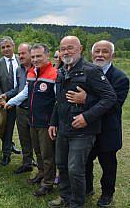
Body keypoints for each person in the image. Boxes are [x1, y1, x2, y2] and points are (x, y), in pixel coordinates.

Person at [48, 36, 117, 208]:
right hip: (63, 128)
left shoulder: (91, 70)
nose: (66, 52)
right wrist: (53, 122)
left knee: (75, 169)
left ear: (80, 49)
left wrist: (87, 116)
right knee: (62, 165)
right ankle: (64, 196)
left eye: (70, 48)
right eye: (63, 48)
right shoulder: (62, 70)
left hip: (83, 131)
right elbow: (59, 100)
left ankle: (77, 203)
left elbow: (109, 98)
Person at [65, 40, 129, 207]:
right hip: (87, 129)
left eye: (105, 52)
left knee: (108, 165)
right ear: (91, 54)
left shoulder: (120, 78)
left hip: (107, 130)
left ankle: (107, 194)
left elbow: (114, 105)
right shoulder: (85, 73)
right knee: (85, 162)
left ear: (112, 55)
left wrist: (87, 99)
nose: (100, 55)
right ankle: (87, 188)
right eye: (97, 51)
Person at [6, 43, 56, 197]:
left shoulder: (54, 74)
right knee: (38, 151)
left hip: (46, 122)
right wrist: (9, 102)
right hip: (32, 119)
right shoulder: (32, 73)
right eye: (33, 56)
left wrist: (54, 122)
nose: (35, 59)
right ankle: (41, 174)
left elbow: (58, 101)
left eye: (38, 56)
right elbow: (25, 93)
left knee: (48, 154)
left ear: (47, 56)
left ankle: (48, 183)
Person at [0, 36, 21, 166]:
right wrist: (2, 98)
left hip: (23, 101)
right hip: (6, 103)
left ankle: (29, 157)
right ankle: (6, 154)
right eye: (3, 47)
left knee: (25, 130)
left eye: (8, 46)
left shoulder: (22, 60)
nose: (6, 49)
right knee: (7, 129)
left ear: (13, 46)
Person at [8, 43, 35, 175]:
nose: (20, 56)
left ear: (31, 54)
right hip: (21, 110)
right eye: (19, 54)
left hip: (34, 110)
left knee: (37, 140)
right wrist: (4, 96)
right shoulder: (18, 70)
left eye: (23, 53)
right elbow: (17, 89)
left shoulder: (37, 69)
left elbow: (27, 91)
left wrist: (11, 102)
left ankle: (42, 168)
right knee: (24, 138)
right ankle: (27, 163)